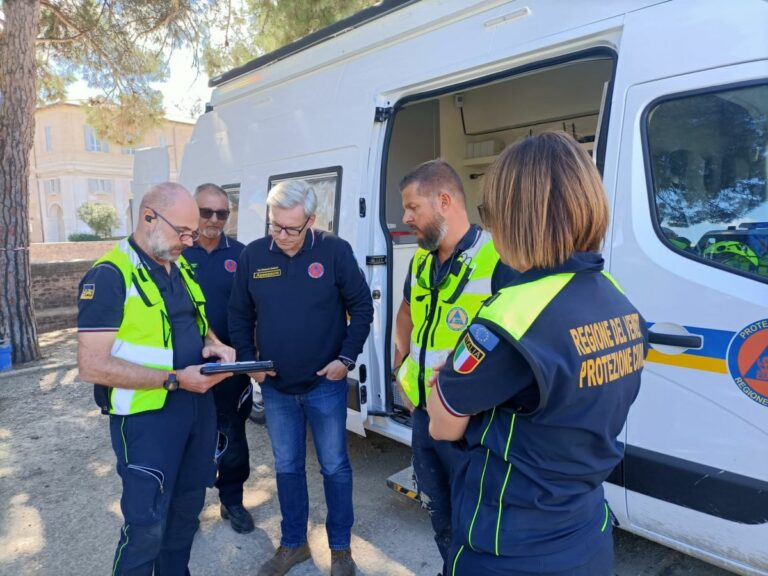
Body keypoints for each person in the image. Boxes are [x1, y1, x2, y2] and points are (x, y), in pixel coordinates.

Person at [427, 131, 648, 576]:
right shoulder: (618, 301)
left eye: (490, 213)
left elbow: (443, 425)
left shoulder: (511, 319)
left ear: (515, 218)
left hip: (510, 545)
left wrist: (446, 377)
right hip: (587, 529)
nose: (490, 228)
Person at [77, 182, 236, 575]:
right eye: (182, 232)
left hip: (196, 411)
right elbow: (92, 365)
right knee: (146, 528)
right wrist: (175, 379)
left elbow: (196, 325)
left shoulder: (177, 265)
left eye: (192, 233)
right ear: (149, 217)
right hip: (146, 422)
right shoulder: (110, 275)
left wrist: (216, 345)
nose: (189, 241)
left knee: (185, 517)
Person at [228, 179, 373, 576]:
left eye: (291, 228)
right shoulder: (255, 255)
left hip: (324, 385)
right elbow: (238, 314)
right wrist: (249, 363)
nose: (281, 235)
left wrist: (346, 358)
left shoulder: (334, 251)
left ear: (311, 220)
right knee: (288, 467)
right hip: (275, 388)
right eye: (274, 225)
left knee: (335, 467)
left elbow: (362, 307)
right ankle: (294, 544)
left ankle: (340, 550)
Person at [392, 159, 517, 576]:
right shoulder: (420, 261)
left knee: (477, 521)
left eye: (413, 207)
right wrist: (401, 369)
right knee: (439, 515)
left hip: (473, 424)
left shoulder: (499, 258)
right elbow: (405, 314)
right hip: (425, 419)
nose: (406, 218)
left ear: (444, 201)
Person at [184, 183, 254, 533]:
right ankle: (188, 509)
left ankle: (232, 501)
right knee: (188, 438)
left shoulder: (242, 255)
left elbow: (255, 308)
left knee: (233, 435)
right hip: (187, 366)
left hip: (231, 366)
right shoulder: (176, 254)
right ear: (192, 211)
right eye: (206, 212)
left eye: (222, 213)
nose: (214, 219)